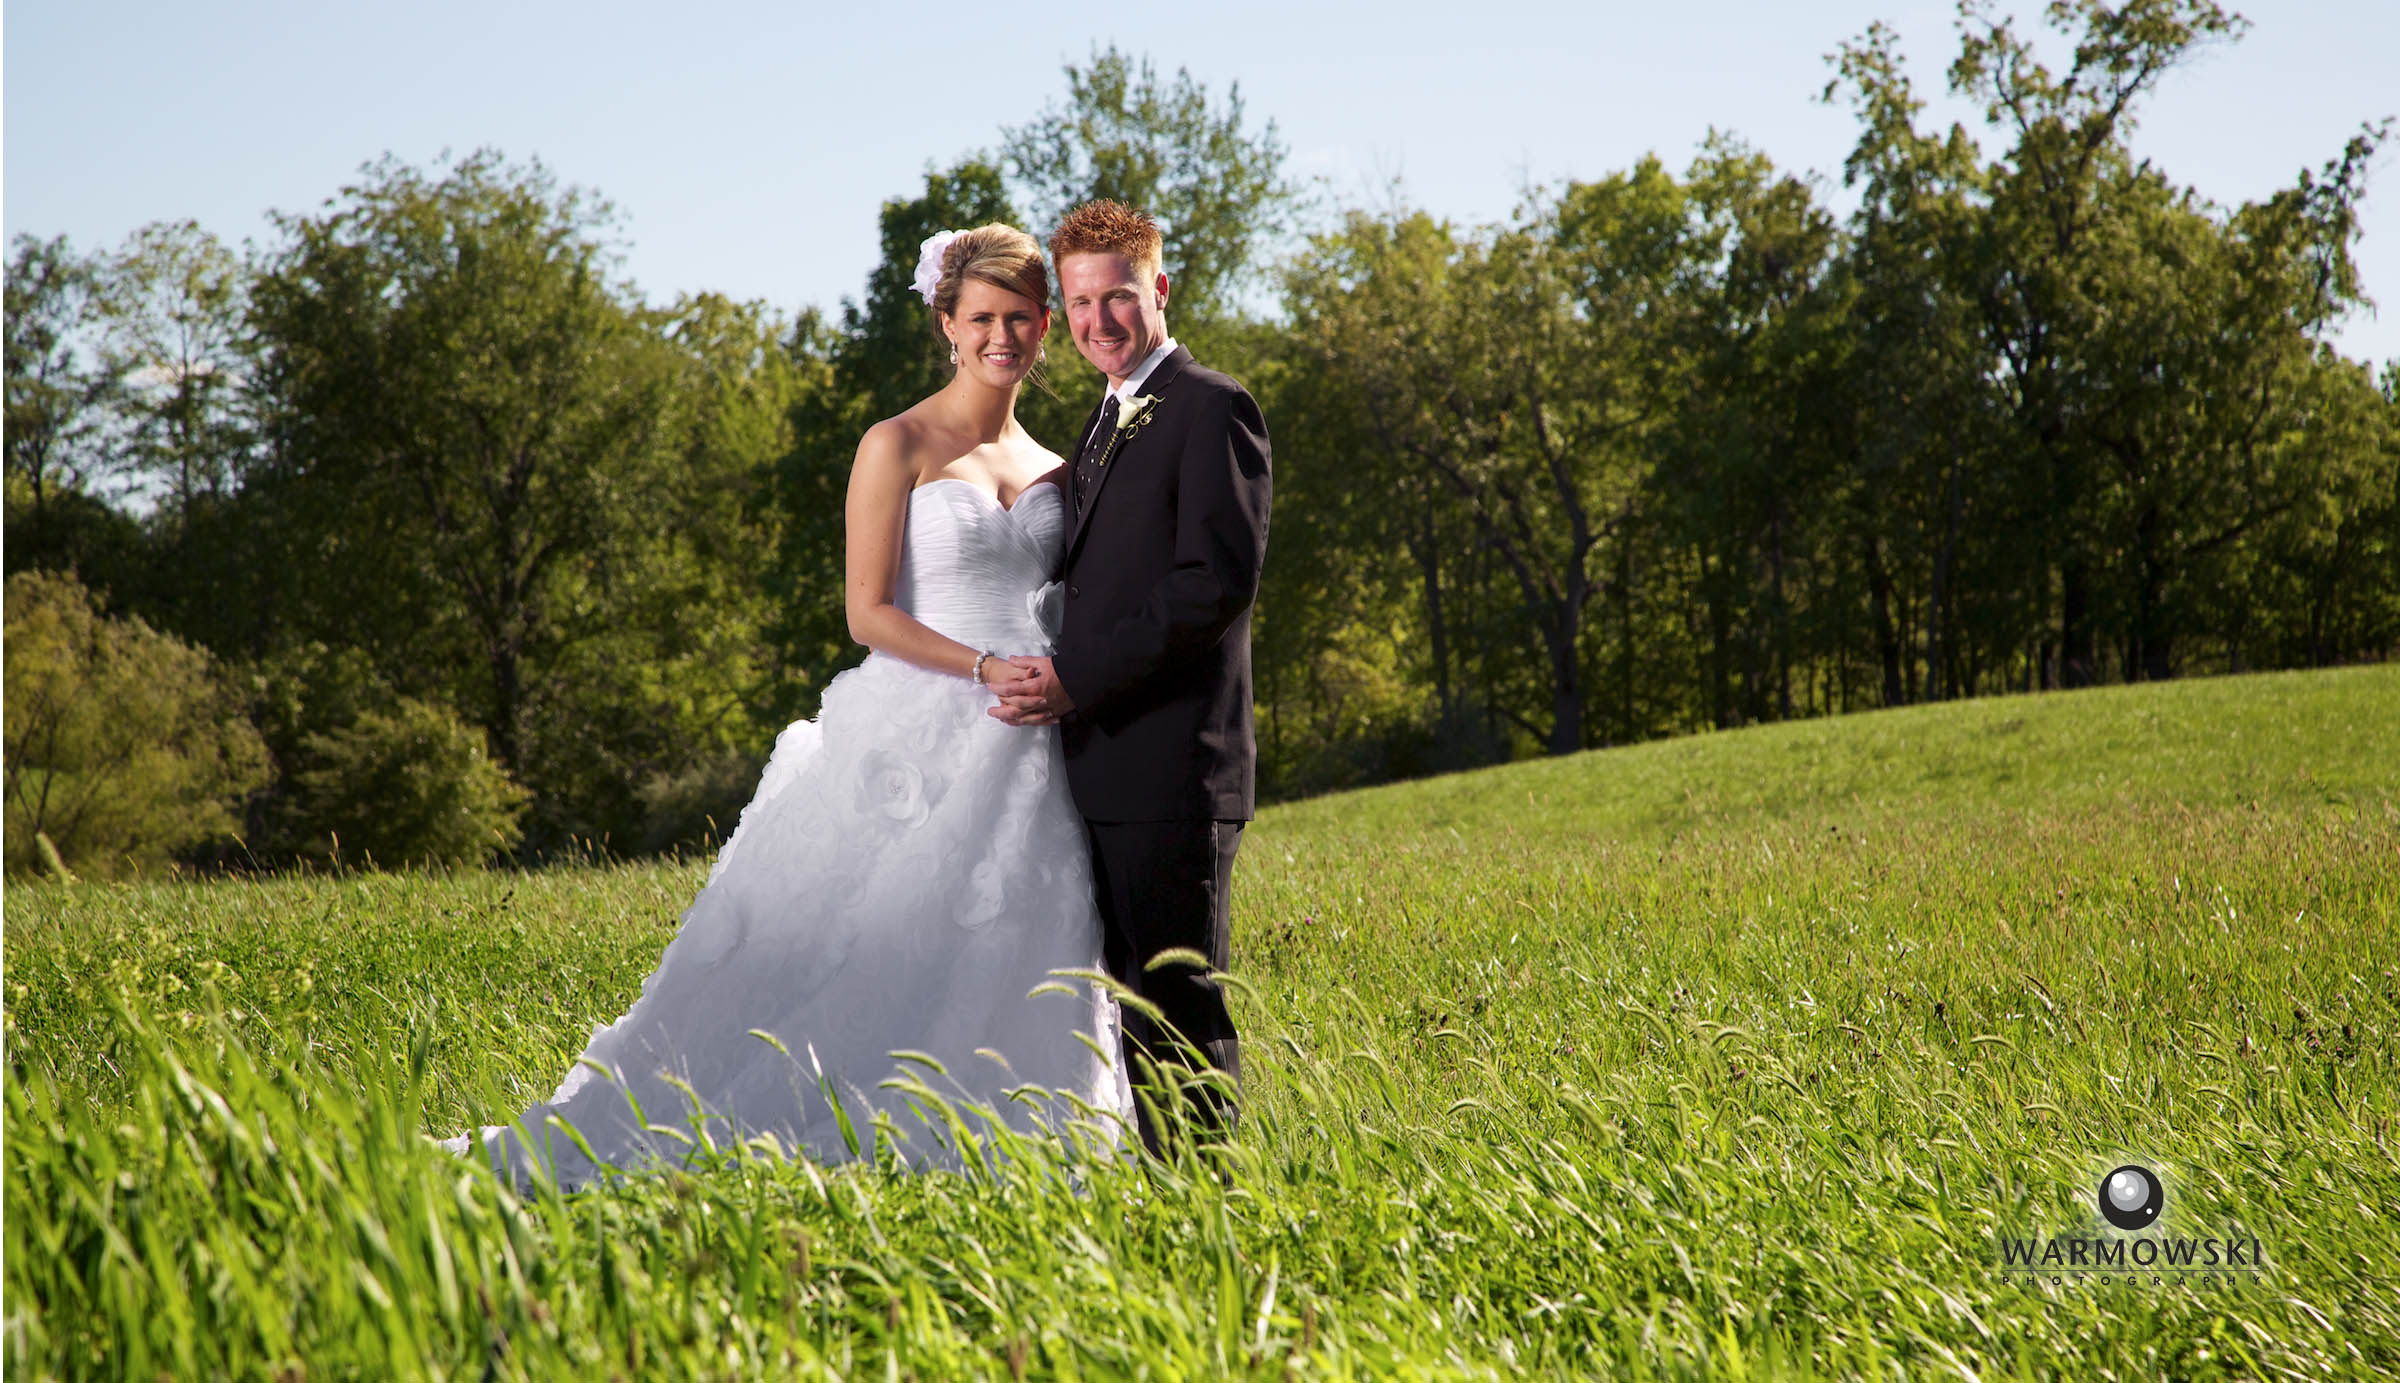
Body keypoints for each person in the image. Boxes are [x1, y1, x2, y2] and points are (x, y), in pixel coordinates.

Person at [448, 224, 1131, 1187]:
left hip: (1034, 744)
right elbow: (867, 612)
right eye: (981, 317)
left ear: (1046, 328)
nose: (1001, 337)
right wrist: (981, 667)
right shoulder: (895, 443)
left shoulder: (1065, 465)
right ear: (946, 322)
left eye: (1020, 318)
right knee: (853, 955)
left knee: (1015, 943)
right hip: (924, 724)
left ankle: (1006, 1145)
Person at [986, 201, 1271, 1156]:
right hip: (1103, 770)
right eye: (1078, 304)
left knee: (1179, 1015)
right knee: (1130, 1020)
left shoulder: (1211, 405)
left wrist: (1070, 679)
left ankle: (1206, 1220)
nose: (1099, 322)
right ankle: (1162, 1216)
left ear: (1159, 287)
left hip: (1173, 769)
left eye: (1117, 297)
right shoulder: (1105, 416)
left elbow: (1209, 588)